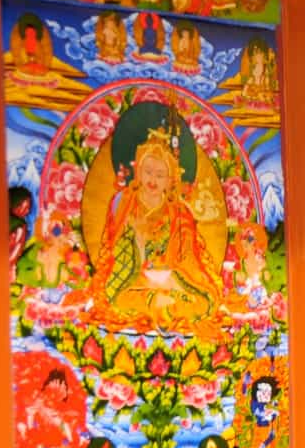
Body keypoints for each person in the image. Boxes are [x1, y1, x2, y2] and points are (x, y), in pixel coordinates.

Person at [90, 107, 229, 331]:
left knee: (205, 302)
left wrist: (172, 277)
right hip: (134, 282)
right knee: (117, 300)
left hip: (172, 282)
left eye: (160, 174)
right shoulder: (125, 203)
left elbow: (189, 259)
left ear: (170, 180)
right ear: (138, 172)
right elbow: (115, 252)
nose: (152, 180)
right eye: (148, 171)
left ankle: (162, 305)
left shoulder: (179, 212)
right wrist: (137, 241)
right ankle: (159, 306)